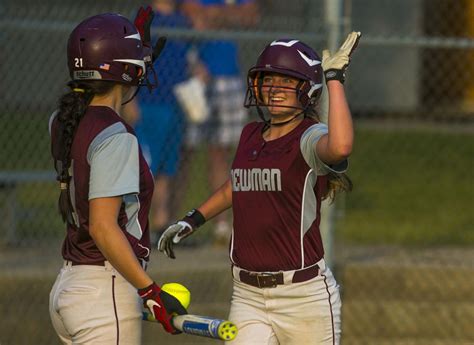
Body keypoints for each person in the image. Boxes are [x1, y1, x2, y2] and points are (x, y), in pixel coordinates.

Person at [158, 32, 362, 344]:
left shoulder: (308, 136)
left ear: (307, 89)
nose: (274, 89)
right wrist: (193, 219)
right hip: (247, 295)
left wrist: (334, 78)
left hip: (303, 296)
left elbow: (341, 145)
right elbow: (235, 186)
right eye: (268, 80)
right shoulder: (251, 133)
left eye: (286, 82)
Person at [48, 9, 187, 344]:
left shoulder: (62, 119)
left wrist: (129, 55)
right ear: (125, 71)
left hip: (69, 285)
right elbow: (103, 226)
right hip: (104, 289)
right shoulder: (116, 135)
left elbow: (100, 106)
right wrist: (149, 290)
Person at [179, 0, 259, 246]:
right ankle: (173, 222)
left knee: (220, 154)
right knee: (183, 153)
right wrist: (226, 15)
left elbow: (250, 17)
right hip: (194, 80)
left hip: (228, 79)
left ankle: (222, 226)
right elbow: (195, 18)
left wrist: (217, 15)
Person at [125, 0, 193, 245]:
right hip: (150, 102)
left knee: (167, 166)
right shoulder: (145, 16)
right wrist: (130, 99)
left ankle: (161, 224)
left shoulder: (181, 18)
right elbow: (131, 58)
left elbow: (187, 55)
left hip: (175, 105)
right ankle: (139, 224)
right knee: (148, 166)